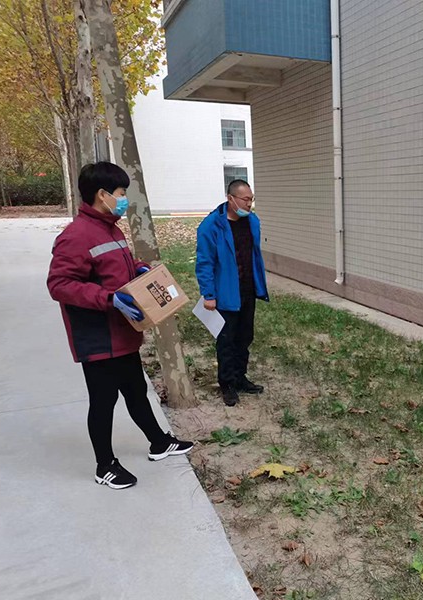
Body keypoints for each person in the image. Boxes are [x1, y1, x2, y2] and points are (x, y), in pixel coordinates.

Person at [47, 162, 193, 490]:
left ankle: (159, 442)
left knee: (135, 390)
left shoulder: (111, 228)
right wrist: (108, 298)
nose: (124, 199)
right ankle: (105, 465)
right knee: (104, 400)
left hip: (123, 331)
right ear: (102, 195)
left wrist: (139, 269)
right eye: (121, 193)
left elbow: (119, 265)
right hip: (97, 336)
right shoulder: (75, 236)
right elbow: (59, 284)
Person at [195, 179, 269, 407]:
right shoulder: (211, 226)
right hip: (226, 294)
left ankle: (240, 377)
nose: (249, 204)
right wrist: (209, 294)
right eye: (246, 200)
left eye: (251, 200)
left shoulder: (252, 222)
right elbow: (204, 262)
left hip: (248, 290)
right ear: (231, 199)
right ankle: (227, 384)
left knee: (245, 337)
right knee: (226, 340)